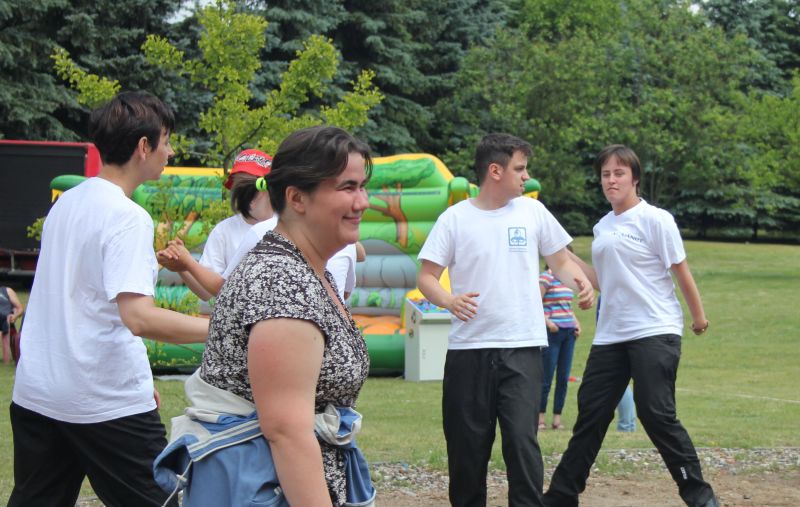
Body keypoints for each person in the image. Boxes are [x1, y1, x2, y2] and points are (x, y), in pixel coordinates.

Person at [153, 126, 376, 506]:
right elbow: (287, 433)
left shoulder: (305, 269)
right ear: (296, 197)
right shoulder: (281, 283)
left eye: (362, 187)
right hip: (264, 488)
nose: (363, 202)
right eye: (348, 188)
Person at [8, 91, 209, 507]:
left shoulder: (68, 202)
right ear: (143, 146)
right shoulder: (127, 217)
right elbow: (139, 317)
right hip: (101, 399)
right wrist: (223, 327)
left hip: (38, 392)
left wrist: (139, 379)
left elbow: (82, 302)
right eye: (167, 141)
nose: (170, 152)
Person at [417, 133, 594, 506]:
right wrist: (449, 300)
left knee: (522, 445)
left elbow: (560, 261)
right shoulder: (454, 219)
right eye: (520, 168)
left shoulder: (533, 212)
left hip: (523, 348)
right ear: (495, 171)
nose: (526, 176)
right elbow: (427, 277)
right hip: (469, 352)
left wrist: (581, 283)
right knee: (467, 450)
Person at [543, 145, 717, 507]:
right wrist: (561, 252)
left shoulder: (655, 219)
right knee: (591, 413)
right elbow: (602, 280)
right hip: (611, 334)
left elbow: (681, 271)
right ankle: (561, 496)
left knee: (656, 413)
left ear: (634, 178)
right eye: (605, 174)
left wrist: (698, 317)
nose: (611, 180)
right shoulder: (603, 226)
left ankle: (701, 498)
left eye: (619, 173)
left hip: (654, 329)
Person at [156, 149, 275, 301]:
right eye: (239, 186)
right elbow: (207, 292)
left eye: (252, 185)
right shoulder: (224, 231)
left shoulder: (287, 225)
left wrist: (188, 263)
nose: (245, 193)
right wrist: (182, 265)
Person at [538, 252, 582, 431]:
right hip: (553, 333)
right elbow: (535, 303)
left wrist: (576, 323)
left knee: (563, 378)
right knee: (546, 377)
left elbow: (567, 306)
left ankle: (557, 418)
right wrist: (548, 323)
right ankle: (540, 418)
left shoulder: (567, 279)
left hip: (569, 333)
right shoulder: (546, 278)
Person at [0, 286, 23, 364]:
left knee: (6, 320)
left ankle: (7, 360)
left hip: (7, 320)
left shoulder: (7, 291)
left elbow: (20, 309)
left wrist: (15, 316)